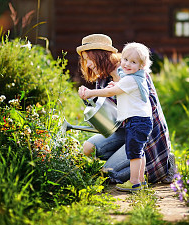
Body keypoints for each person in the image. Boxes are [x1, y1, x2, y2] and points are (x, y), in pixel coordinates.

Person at [75, 34, 175, 186]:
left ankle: (163, 165)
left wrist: (118, 90)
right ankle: (122, 162)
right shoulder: (103, 79)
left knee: (108, 174)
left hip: (145, 135)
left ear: (100, 55)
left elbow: (151, 110)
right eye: (84, 59)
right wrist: (89, 100)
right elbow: (108, 118)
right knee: (88, 148)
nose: (87, 64)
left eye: (89, 58)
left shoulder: (133, 70)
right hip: (123, 129)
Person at [79, 42, 153, 191]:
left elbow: (111, 93)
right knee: (137, 151)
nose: (125, 64)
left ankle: (134, 181)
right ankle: (140, 180)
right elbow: (112, 102)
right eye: (125, 60)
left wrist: (91, 93)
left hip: (139, 124)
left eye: (89, 58)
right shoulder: (120, 77)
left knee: (129, 157)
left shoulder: (132, 77)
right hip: (129, 125)